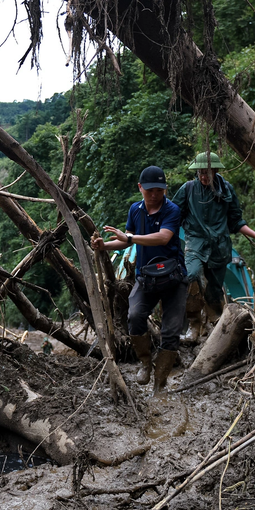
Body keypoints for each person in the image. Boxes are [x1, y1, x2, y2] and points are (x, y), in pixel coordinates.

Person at [92, 165, 187, 394]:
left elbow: (164, 238)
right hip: (146, 278)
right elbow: (126, 242)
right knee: (134, 316)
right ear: (140, 188)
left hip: (174, 278)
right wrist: (104, 246)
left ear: (164, 190)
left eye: (159, 190)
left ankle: (160, 383)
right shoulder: (135, 210)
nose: (154, 195)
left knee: (171, 332)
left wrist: (131, 237)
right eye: (149, 190)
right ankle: (145, 363)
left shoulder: (172, 210)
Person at [173, 152, 255, 340]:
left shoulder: (226, 190)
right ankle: (194, 326)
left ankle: (215, 327)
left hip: (219, 247)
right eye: (201, 172)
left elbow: (236, 221)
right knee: (191, 275)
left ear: (216, 171)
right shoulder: (188, 189)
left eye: (208, 172)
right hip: (195, 243)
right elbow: (172, 216)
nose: (204, 176)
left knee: (214, 289)